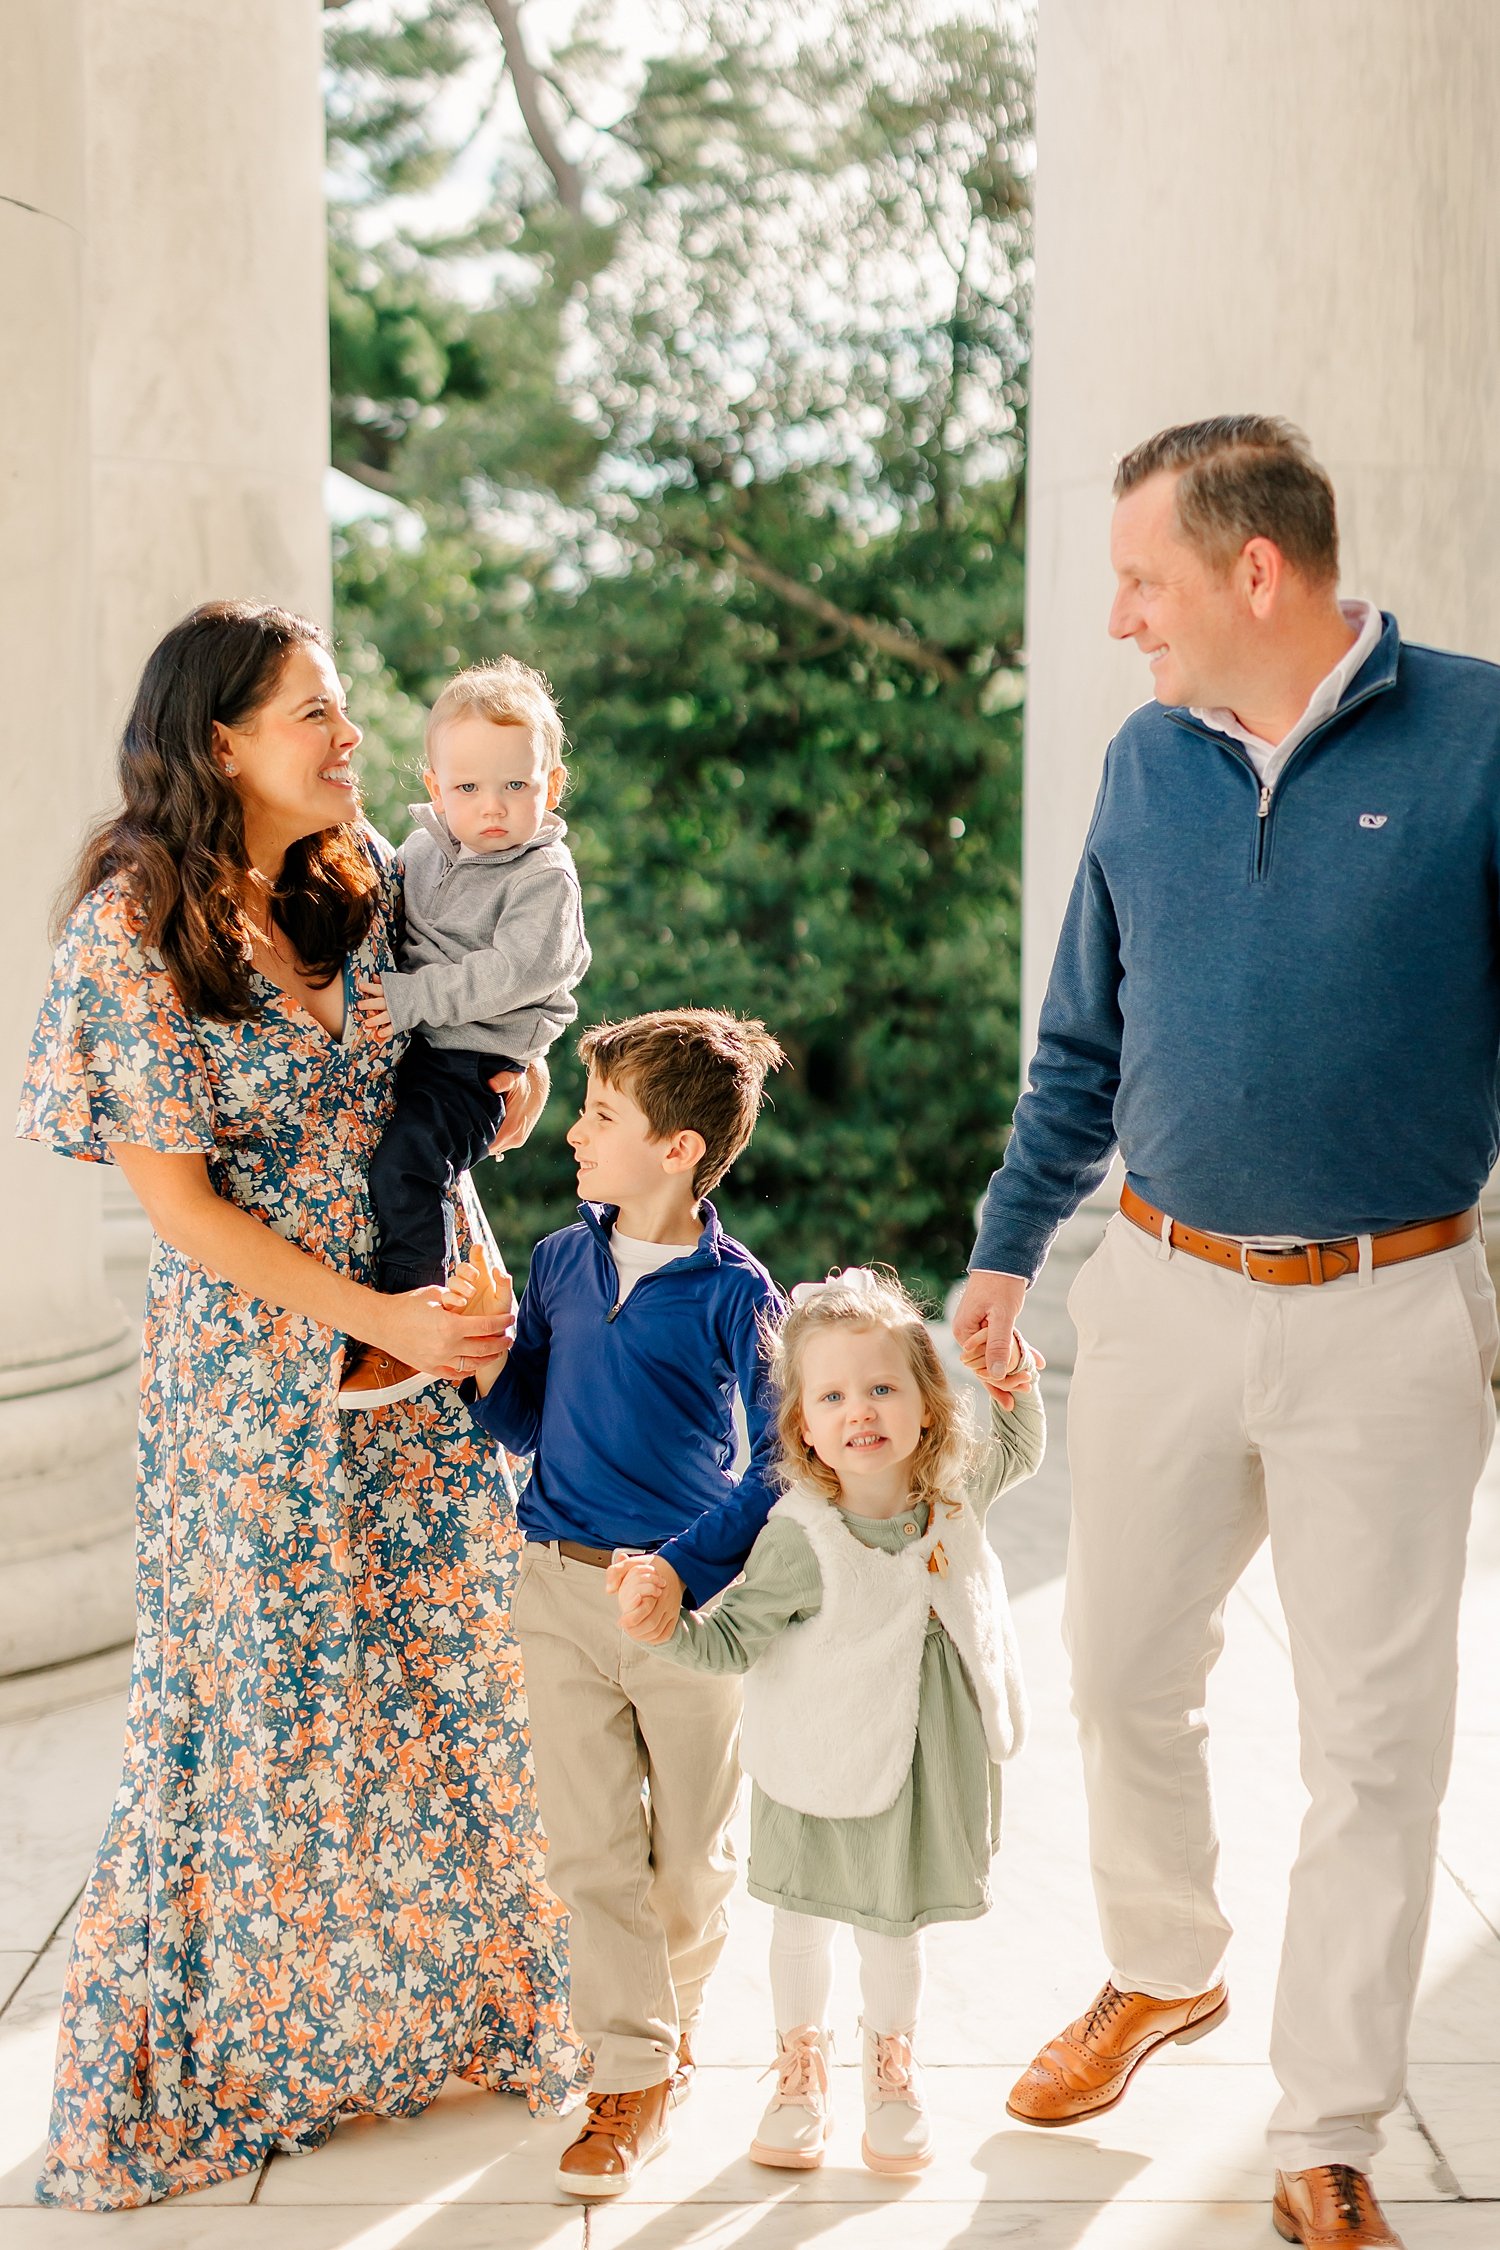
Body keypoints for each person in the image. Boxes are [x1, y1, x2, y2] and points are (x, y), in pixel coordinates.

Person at [953, 416, 1500, 2250]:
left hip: (1393, 1313)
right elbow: (1081, 1037)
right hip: (1169, 1294)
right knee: (1119, 1674)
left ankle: (1328, 2121)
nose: (1122, 617)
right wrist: (1011, 1247)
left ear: (1253, 572)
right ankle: (1161, 1967)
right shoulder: (1146, 760)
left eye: (1144, 580)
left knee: (1377, 1744)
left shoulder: (1483, 738)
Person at [16, 600, 576, 2210]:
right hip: (261, 1376)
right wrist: (371, 1318)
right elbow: (182, 1209)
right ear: (220, 743)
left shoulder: (359, 882)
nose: (349, 738)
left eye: (341, 709)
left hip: (429, 1345)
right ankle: (219, 2059)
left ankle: (426, 2024)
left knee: (434, 1670)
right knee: (256, 1700)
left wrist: (515, 1086)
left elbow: (442, 1061)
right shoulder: (131, 928)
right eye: (314, 716)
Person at [454, 1008, 786, 2199]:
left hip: (689, 1613)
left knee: (692, 1861)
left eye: (600, 1116)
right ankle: (628, 2075)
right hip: (556, 1585)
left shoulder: (736, 1295)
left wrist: (687, 1571)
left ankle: (667, 2029)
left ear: (680, 1150)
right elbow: (525, 1423)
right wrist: (487, 1360)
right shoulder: (555, 1262)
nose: (574, 1134)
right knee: (591, 1849)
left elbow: (782, 1461)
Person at [617, 1266, 1042, 2176]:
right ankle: (799, 2069)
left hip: (923, 1763)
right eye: (835, 1395)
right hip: (821, 1756)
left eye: (884, 1387)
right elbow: (729, 1640)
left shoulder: (955, 1496)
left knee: (893, 1926)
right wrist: (667, 1627)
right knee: (803, 1922)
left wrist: (1016, 1384)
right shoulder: (800, 1535)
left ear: (928, 1406)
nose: (862, 1411)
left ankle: (891, 2071)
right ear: (804, 1424)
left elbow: (1016, 1447)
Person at [342, 657, 590, 1406]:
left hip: (474, 1063)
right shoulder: (419, 851)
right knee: (394, 1167)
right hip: (424, 1050)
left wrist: (411, 999)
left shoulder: (543, 875)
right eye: (468, 787)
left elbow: (512, 973)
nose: (493, 807)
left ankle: (413, 1330)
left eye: (516, 786)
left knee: (407, 1168)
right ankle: (436, 1293)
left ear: (549, 787)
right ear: (435, 789)